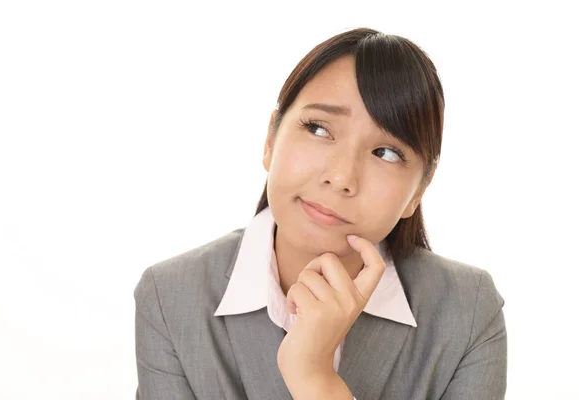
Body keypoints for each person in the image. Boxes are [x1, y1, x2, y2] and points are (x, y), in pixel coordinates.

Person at [134, 27, 507, 400]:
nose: (342, 177)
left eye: (386, 152)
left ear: (418, 193)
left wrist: (314, 379)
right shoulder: (170, 297)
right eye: (318, 128)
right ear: (270, 139)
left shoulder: (467, 312)